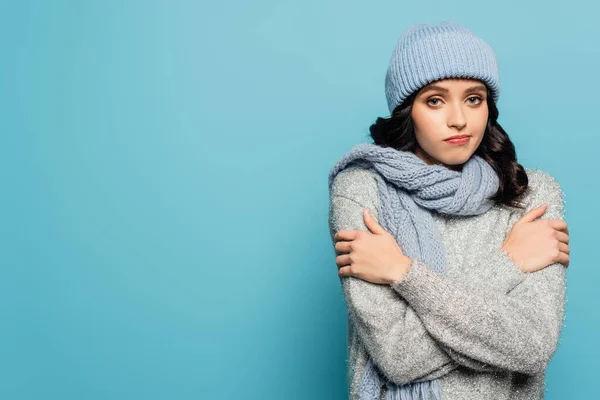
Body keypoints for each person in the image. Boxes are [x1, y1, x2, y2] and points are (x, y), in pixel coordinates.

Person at [327, 21, 570, 400]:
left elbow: (533, 344)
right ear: (407, 111)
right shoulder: (362, 189)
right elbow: (398, 356)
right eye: (435, 100)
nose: (459, 119)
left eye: (474, 99)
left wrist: (401, 271)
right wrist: (510, 262)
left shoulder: (532, 195)